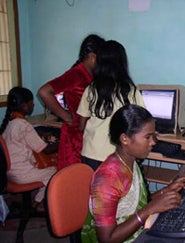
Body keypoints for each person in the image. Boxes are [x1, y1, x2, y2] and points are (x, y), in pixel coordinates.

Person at [81, 104, 185, 243]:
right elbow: (107, 239)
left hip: (135, 231)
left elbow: (133, 204)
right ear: (125, 139)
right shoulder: (108, 179)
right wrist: (149, 209)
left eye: (154, 136)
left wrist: (167, 190)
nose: (153, 142)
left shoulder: (130, 161)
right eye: (147, 137)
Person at [38, 34, 105, 170]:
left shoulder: (91, 76)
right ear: (92, 57)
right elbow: (44, 92)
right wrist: (66, 116)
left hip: (87, 137)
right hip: (74, 139)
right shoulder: (75, 74)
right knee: (74, 179)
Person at [77, 40, 145, 171]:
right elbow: (141, 124)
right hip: (119, 154)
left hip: (91, 152)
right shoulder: (130, 91)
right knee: (116, 191)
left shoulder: (91, 89)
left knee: (94, 190)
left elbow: (81, 125)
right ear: (123, 63)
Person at [0, 87, 58, 210]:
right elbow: (46, 150)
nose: (33, 105)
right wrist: (63, 142)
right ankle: (38, 202)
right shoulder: (23, 125)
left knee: (45, 164)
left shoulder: (9, 122)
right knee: (57, 171)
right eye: (32, 103)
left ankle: (36, 200)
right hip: (22, 174)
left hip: (8, 173)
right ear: (24, 106)